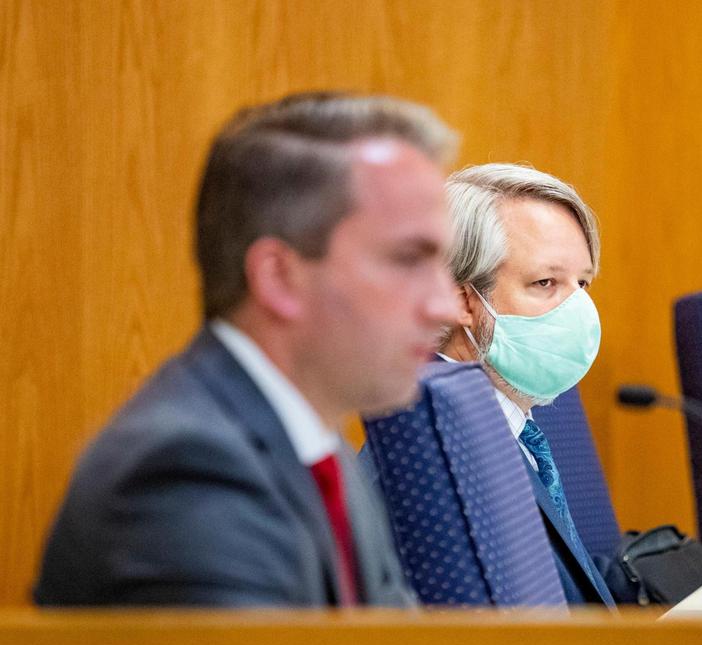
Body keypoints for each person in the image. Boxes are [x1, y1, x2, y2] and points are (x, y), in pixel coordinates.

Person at [35, 92, 460, 606]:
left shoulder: (315, 440)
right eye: (408, 259)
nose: (445, 306)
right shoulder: (190, 473)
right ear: (279, 278)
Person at [435, 162, 614, 606]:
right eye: (545, 282)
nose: (579, 309)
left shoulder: (507, 429)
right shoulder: (439, 456)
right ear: (463, 302)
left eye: (583, 282)